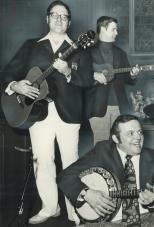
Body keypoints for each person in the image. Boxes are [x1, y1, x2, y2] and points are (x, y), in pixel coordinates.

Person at [0, 1, 94, 224]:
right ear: (47, 19)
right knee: (42, 160)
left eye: (64, 16)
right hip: (36, 112)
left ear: (70, 21)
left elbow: (88, 80)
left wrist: (69, 72)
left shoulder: (80, 48)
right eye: (55, 15)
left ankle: (75, 210)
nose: (59, 19)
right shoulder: (31, 46)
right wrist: (15, 85)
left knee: (71, 161)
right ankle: (50, 207)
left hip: (69, 113)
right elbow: (8, 72)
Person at [57, 115, 154, 226]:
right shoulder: (102, 151)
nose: (138, 137)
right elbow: (64, 176)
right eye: (130, 133)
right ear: (116, 139)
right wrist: (87, 193)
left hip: (147, 220)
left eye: (140, 132)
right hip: (110, 222)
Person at [85, 16, 140, 145]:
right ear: (103, 29)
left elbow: (128, 79)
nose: (117, 32)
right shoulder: (88, 52)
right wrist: (94, 75)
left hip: (120, 107)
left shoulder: (121, 53)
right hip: (97, 108)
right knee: (100, 146)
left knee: (123, 145)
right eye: (114, 29)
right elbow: (82, 76)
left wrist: (132, 75)